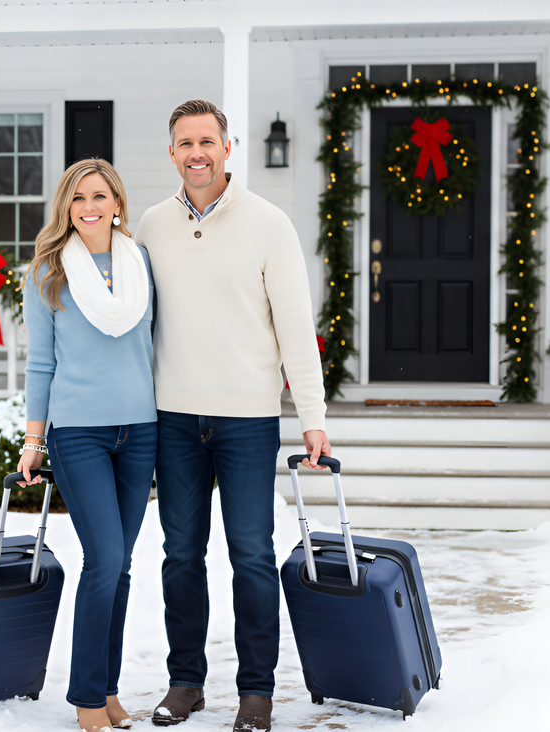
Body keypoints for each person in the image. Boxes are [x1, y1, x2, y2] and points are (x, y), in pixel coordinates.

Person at [135, 100, 331, 732]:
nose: (197, 152)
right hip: (174, 421)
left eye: (208, 141)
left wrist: (313, 417)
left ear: (227, 147)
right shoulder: (151, 226)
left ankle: (256, 692)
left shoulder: (269, 225)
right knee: (181, 557)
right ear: (172, 153)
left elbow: (296, 330)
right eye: (185, 143)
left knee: (250, 555)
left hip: (247, 421)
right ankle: (186, 682)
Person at [15, 158, 157, 732]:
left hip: (140, 431)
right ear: (66, 208)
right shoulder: (47, 271)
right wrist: (33, 439)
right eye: (78, 198)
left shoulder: (140, 263)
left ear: (117, 203)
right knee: (103, 560)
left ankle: (108, 690)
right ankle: (85, 700)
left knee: (120, 567)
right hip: (78, 434)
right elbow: (40, 364)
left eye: (99, 196)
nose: (89, 207)